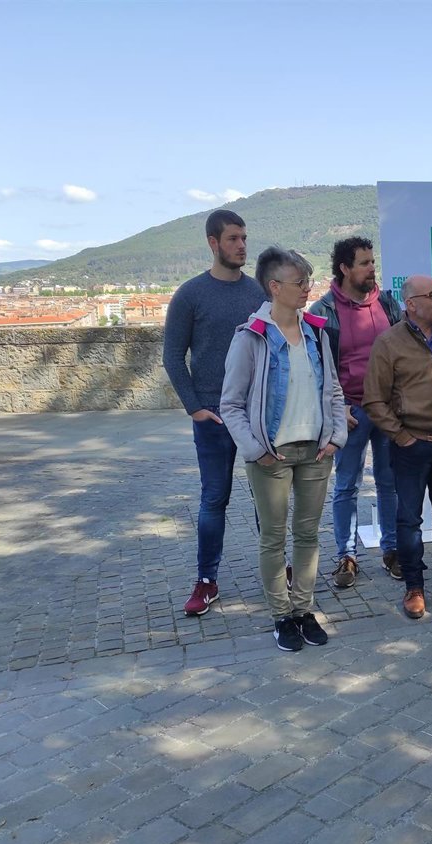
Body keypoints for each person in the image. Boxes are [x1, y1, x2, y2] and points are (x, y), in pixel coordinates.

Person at [220, 247, 347, 652]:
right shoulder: (251, 337)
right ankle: (281, 616)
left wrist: (336, 437)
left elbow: (334, 391)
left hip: (315, 452)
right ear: (274, 287)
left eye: (308, 280)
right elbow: (230, 404)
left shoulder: (317, 333)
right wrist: (255, 449)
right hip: (270, 456)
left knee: (308, 535)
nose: (308, 288)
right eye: (300, 282)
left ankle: (303, 610)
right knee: (273, 539)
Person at [163, 210, 267, 617]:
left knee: (268, 497)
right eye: (233, 239)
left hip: (257, 413)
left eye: (244, 238)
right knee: (214, 498)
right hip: (213, 414)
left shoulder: (258, 292)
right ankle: (206, 579)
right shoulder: (190, 295)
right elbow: (173, 356)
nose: (242, 245)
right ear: (213, 243)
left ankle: (277, 568)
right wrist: (194, 408)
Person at [363, 274, 432, 619]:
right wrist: (402, 437)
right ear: (410, 304)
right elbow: (374, 400)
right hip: (410, 447)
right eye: (431, 295)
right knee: (409, 520)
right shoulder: (389, 343)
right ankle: (414, 586)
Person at [308, 237, 403, 589]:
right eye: (364, 263)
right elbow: (316, 367)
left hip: (388, 409)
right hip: (349, 411)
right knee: (347, 484)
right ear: (345, 268)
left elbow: (404, 353)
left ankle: (392, 551)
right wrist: (336, 407)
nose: (372, 268)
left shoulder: (388, 304)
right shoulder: (323, 311)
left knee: (389, 482)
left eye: (373, 262)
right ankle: (346, 556)